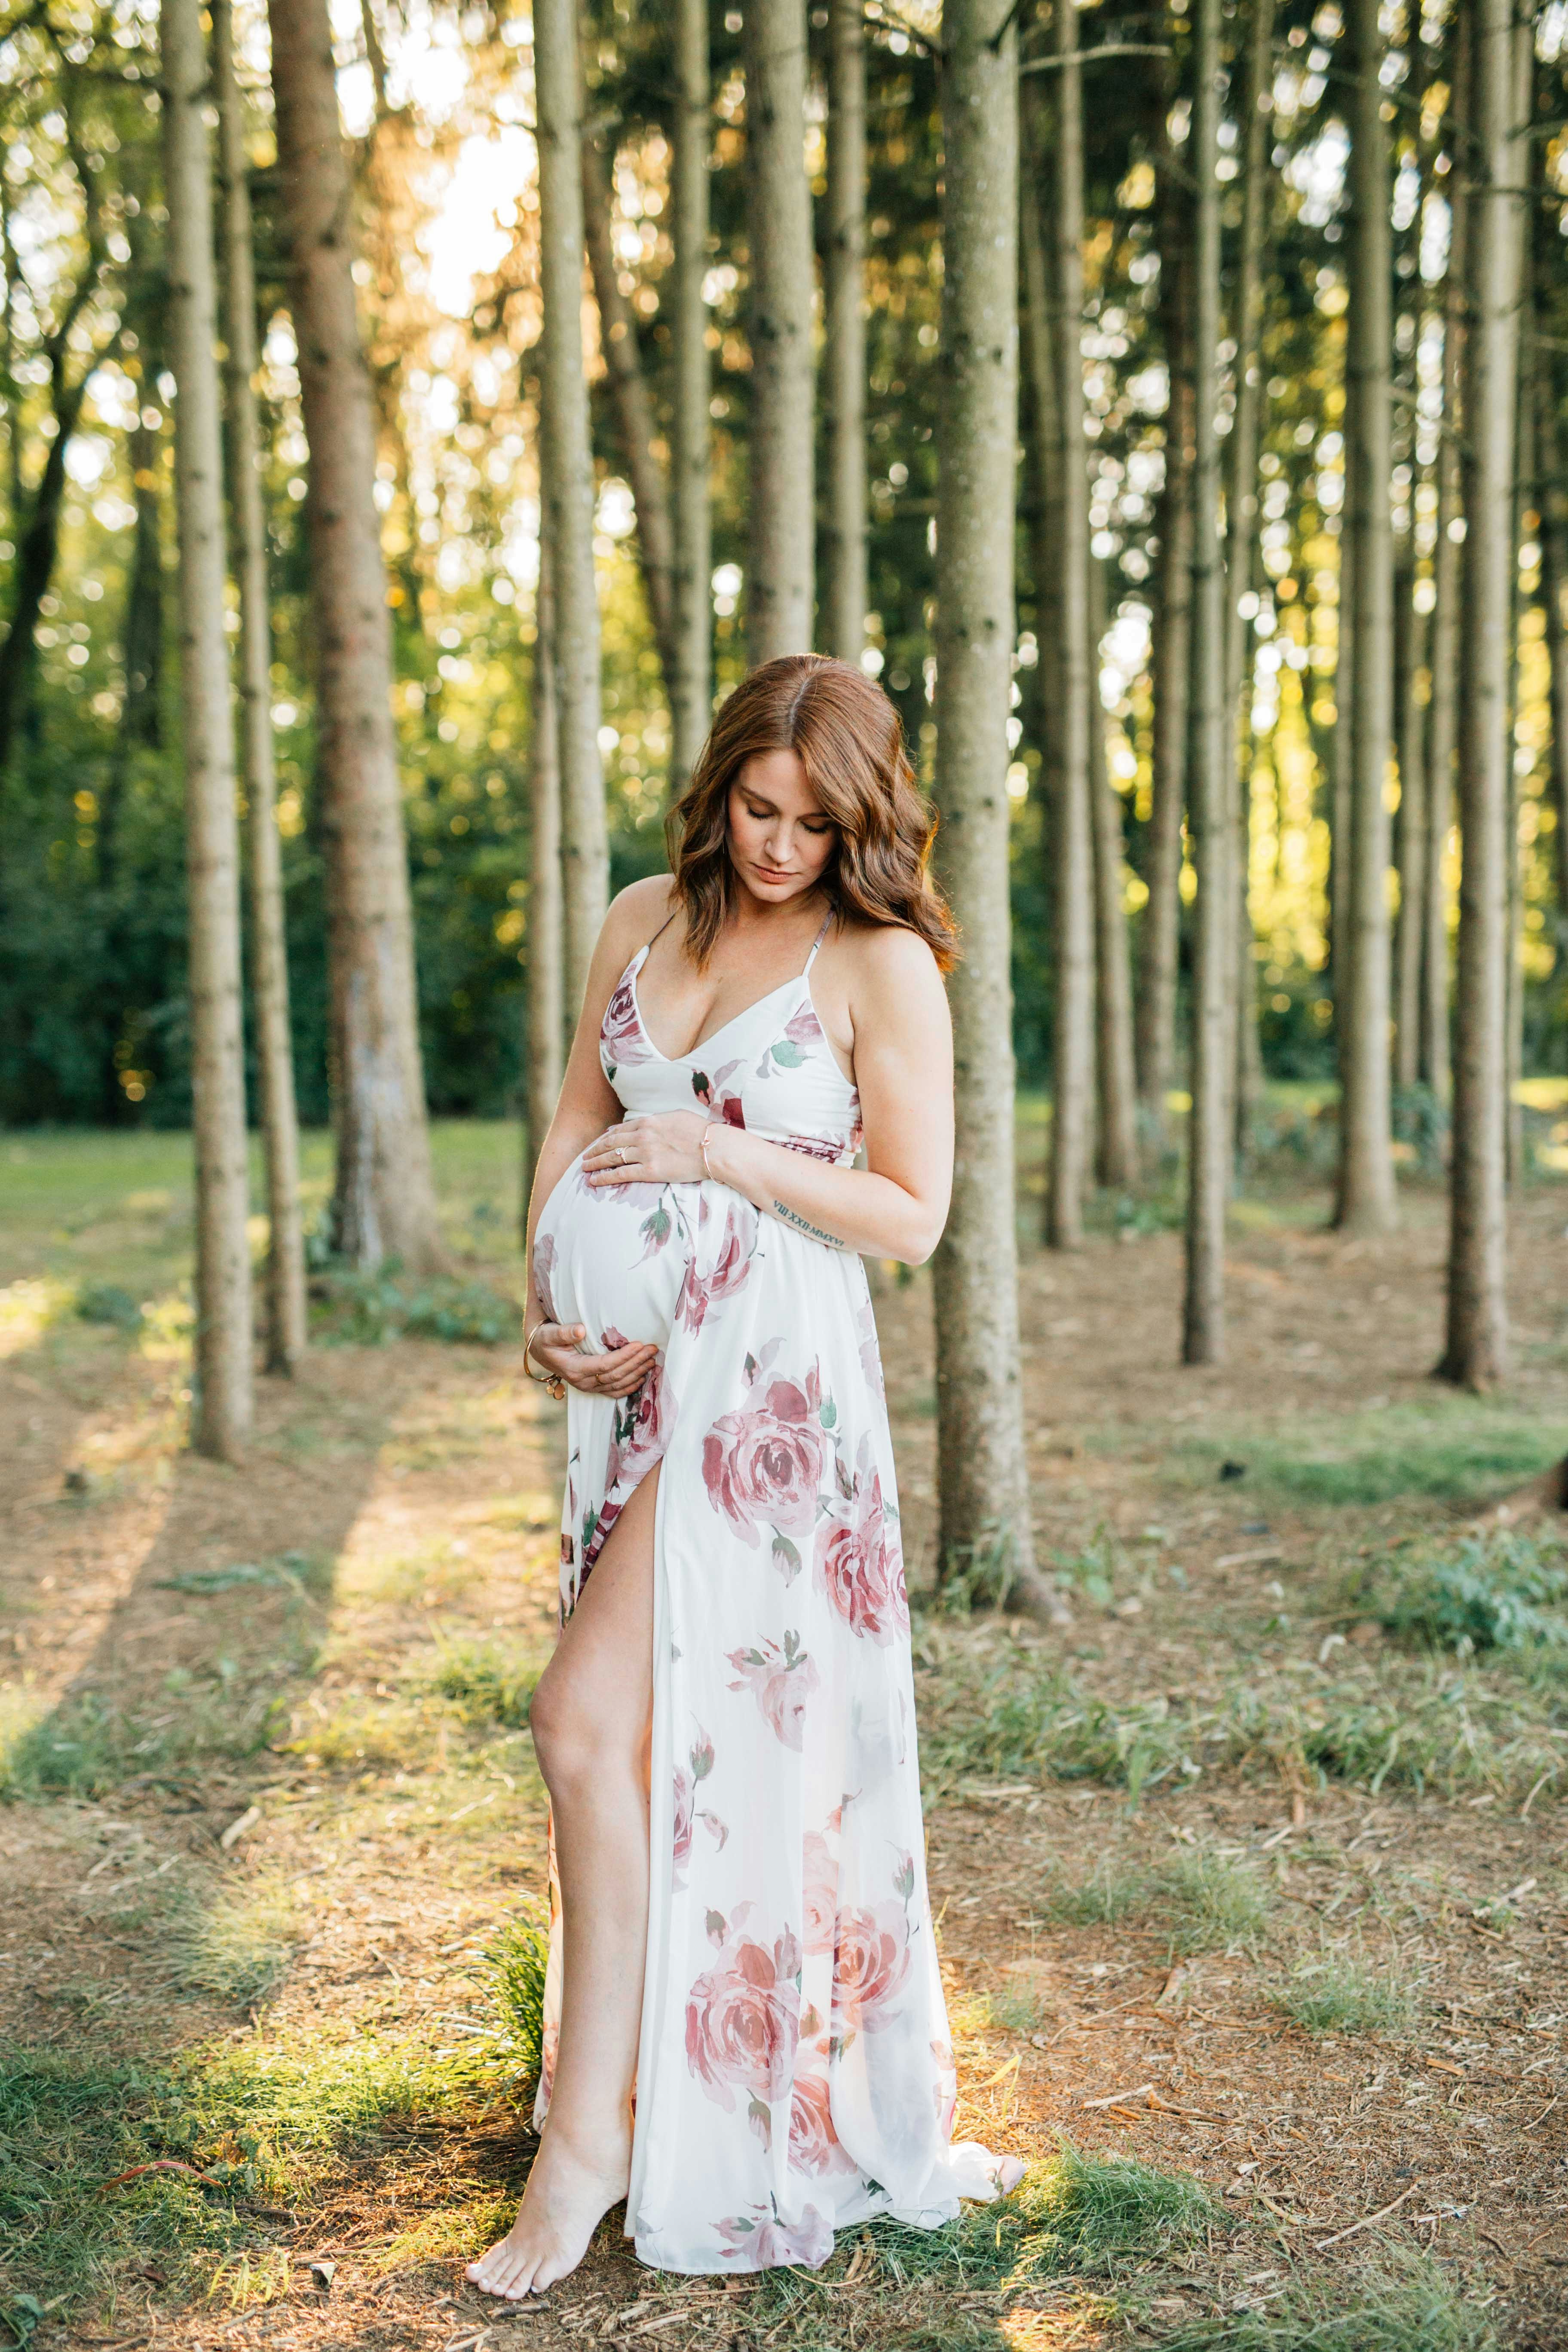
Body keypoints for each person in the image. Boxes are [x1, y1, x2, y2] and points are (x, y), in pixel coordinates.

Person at [468, 654, 1023, 2300]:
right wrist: (542, 1309)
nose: (778, 845)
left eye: (813, 819)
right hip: (638, 1398)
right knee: (633, 1744)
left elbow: (912, 1214)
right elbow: (574, 1119)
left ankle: (586, 2151)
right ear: (717, 791)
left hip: (770, 1400)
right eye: (755, 808)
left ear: (864, 819)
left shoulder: (881, 962)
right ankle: (631, 2099)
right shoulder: (644, 914)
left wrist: (720, 1152)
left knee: (581, 1723)